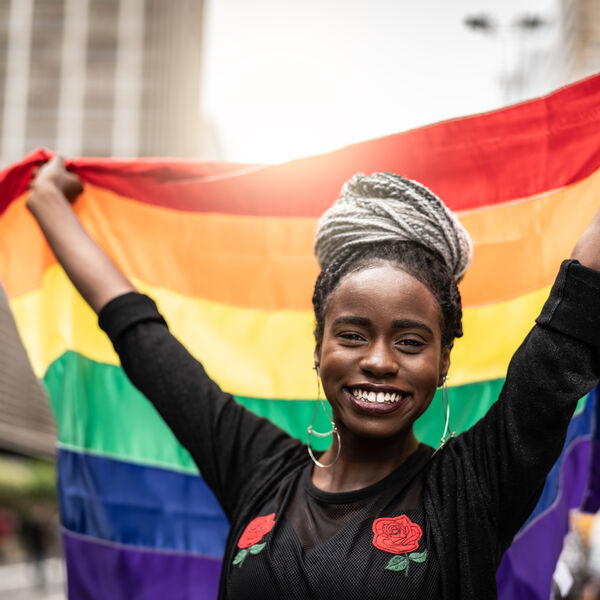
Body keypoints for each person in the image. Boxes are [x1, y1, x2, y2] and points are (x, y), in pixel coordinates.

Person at [27, 156, 600, 599]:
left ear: (443, 361)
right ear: (319, 346)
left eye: (410, 342)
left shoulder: (472, 487)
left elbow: (571, 318)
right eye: (352, 334)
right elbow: (140, 335)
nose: (378, 360)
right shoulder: (257, 469)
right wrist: (48, 201)